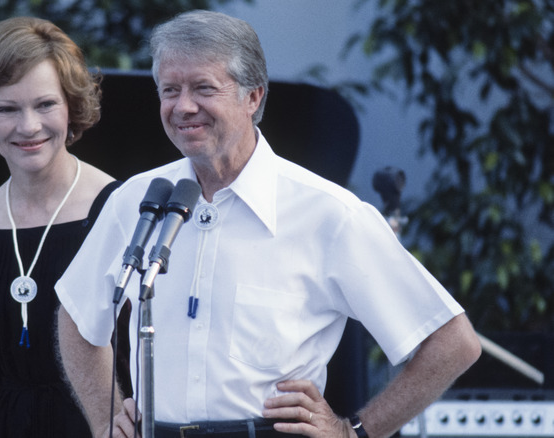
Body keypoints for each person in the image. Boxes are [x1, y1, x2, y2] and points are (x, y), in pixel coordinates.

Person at [55, 9, 482, 438]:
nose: (183, 106)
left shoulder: (328, 214)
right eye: (170, 90)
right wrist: (102, 418)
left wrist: (356, 431)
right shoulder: (138, 200)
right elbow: (77, 315)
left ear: (253, 97)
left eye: (204, 88)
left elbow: (451, 342)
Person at [0, 16, 122, 437]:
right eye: (7, 108)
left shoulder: (121, 210)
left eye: (45, 104)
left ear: (71, 106)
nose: (29, 126)